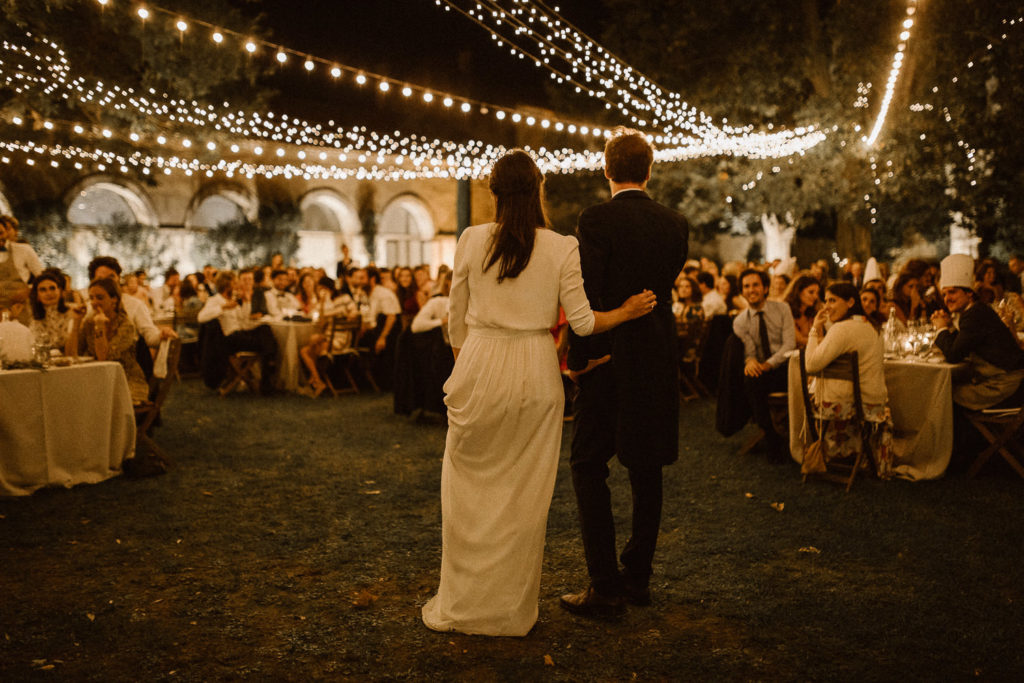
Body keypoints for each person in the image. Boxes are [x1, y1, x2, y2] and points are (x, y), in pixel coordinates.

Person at [421, 149, 657, 636]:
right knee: (523, 499)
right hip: (534, 370)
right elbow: (586, 321)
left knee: (467, 492)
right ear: (540, 190)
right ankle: (510, 611)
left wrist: (467, 369)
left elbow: (454, 318)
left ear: (493, 192)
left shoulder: (471, 238)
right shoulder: (560, 246)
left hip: (481, 362)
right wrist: (629, 311)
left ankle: (465, 602)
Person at [560, 128, 689, 618]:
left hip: (607, 358)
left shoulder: (595, 219)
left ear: (607, 170)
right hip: (654, 356)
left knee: (588, 465)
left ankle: (604, 585)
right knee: (647, 465)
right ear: (649, 170)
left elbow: (585, 293)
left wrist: (578, 360)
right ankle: (638, 577)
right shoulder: (674, 224)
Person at [804, 282, 892, 477]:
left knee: (808, 392)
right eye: (825, 300)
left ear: (851, 302)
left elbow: (810, 365)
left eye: (833, 300)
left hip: (850, 405)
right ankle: (847, 454)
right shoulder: (873, 326)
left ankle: (807, 451)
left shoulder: (843, 329)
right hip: (875, 403)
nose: (826, 306)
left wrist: (814, 329)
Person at [932, 254, 1024, 411]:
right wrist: (948, 327)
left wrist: (941, 328)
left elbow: (954, 355)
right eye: (944, 294)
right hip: (1009, 382)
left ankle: (956, 436)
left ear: (969, 293)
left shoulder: (974, 315)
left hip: (1006, 386)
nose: (947, 299)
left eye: (952, 292)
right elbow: (963, 344)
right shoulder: (976, 310)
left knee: (942, 394)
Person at [733, 268, 796, 461]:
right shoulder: (740, 321)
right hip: (763, 372)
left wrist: (769, 364)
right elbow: (749, 350)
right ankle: (770, 434)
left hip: (784, 366)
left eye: (755, 285)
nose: (751, 290)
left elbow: (789, 344)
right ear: (742, 292)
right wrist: (750, 361)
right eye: (746, 286)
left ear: (765, 288)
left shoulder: (782, 309)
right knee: (750, 378)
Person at [197, 271, 278, 394]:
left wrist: (246, 302)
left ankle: (268, 371)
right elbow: (201, 317)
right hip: (229, 339)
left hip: (240, 334)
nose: (237, 286)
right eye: (234, 283)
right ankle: (268, 374)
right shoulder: (215, 300)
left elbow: (244, 323)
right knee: (267, 343)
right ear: (226, 285)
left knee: (265, 329)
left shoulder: (234, 300)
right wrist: (223, 307)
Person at [74, 278, 149, 403]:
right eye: (91, 298)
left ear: (114, 299)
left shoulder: (125, 325)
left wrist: (99, 327)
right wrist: (76, 322)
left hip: (125, 381)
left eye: (99, 297)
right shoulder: (89, 322)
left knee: (93, 400)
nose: (94, 302)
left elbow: (104, 358)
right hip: (95, 377)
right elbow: (73, 353)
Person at [360, 266, 402, 389]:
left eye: (363, 278)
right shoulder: (366, 294)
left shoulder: (383, 294)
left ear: (372, 279)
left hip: (389, 331)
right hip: (376, 329)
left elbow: (391, 317)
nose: (360, 281)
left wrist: (382, 338)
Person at [0, 215, 43, 324]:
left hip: (20, 308)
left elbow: (43, 277)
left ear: (6, 233)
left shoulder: (24, 250)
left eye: (1, 233)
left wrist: (28, 290)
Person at [27, 269, 79, 357]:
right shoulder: (34, 318)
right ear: (37, 295)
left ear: (60, 291)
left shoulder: (73, 312)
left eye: (52, 288)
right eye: (43, 290)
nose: (49, 293)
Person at [784, 274, 821, 349]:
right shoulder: (786, 311)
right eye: (811, 292)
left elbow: (819, 336)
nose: (815, 296)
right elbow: (799, 340)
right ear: (799, 292)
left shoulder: (813, 312)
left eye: (817, 293)